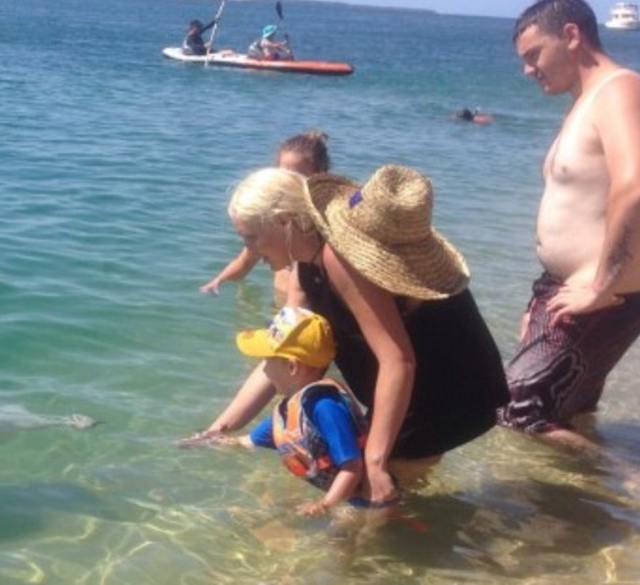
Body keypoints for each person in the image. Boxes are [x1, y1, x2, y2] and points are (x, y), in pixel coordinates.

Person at [187, 164, 510, 505]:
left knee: (366, 508)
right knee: (372, 497)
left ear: (284, 221)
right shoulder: (303, 261)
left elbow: (398, 360)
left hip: (448, 389)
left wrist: (375, 460)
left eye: (250, 238)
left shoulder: (341, 256)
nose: (250, 251)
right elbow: (283, 350)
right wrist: (218, 430)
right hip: (416, 384)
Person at [498, 0, 640, 452]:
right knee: (568, 411)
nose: (528, 70)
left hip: (604, 294)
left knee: (515, 406)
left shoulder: (622, 91)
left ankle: (614, 486)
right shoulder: (588, 101)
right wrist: (546, 293)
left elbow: (638, 186)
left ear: (571, 35)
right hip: (569, 288)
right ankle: (584, 518)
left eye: (534, 55)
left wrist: (599, 285)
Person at [204, 292, 369, 516]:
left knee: (337, 540)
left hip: (361, 501)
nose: (264, 368)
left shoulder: (325, 407)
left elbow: (353, 468)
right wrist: (210, 441)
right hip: (342, 496)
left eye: (268, 360)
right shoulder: (289, 411)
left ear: (292, 367)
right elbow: (247, 442)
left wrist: (324, 506)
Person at [201, 130, 332, 298]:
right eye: (281, 172)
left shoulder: (323, 232)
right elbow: (244, 262)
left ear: (321, 174)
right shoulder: (268, 226)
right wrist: (218, 281)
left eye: (296, 175)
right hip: (282, 306)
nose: (286, 180)